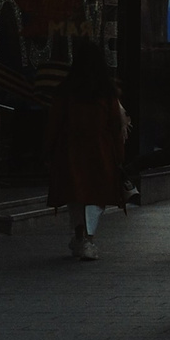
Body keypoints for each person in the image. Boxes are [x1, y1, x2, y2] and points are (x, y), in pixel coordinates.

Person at [45, 38, 128, 262]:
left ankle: (80, 235)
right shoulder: (107, 92)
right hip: (100, 149)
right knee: (95, 194)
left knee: (77, 195)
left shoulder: (66, 90)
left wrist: (50, 150)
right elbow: (115, 126)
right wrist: (120, 156)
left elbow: (55, 123)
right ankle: (88, 238)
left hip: (70, 148)